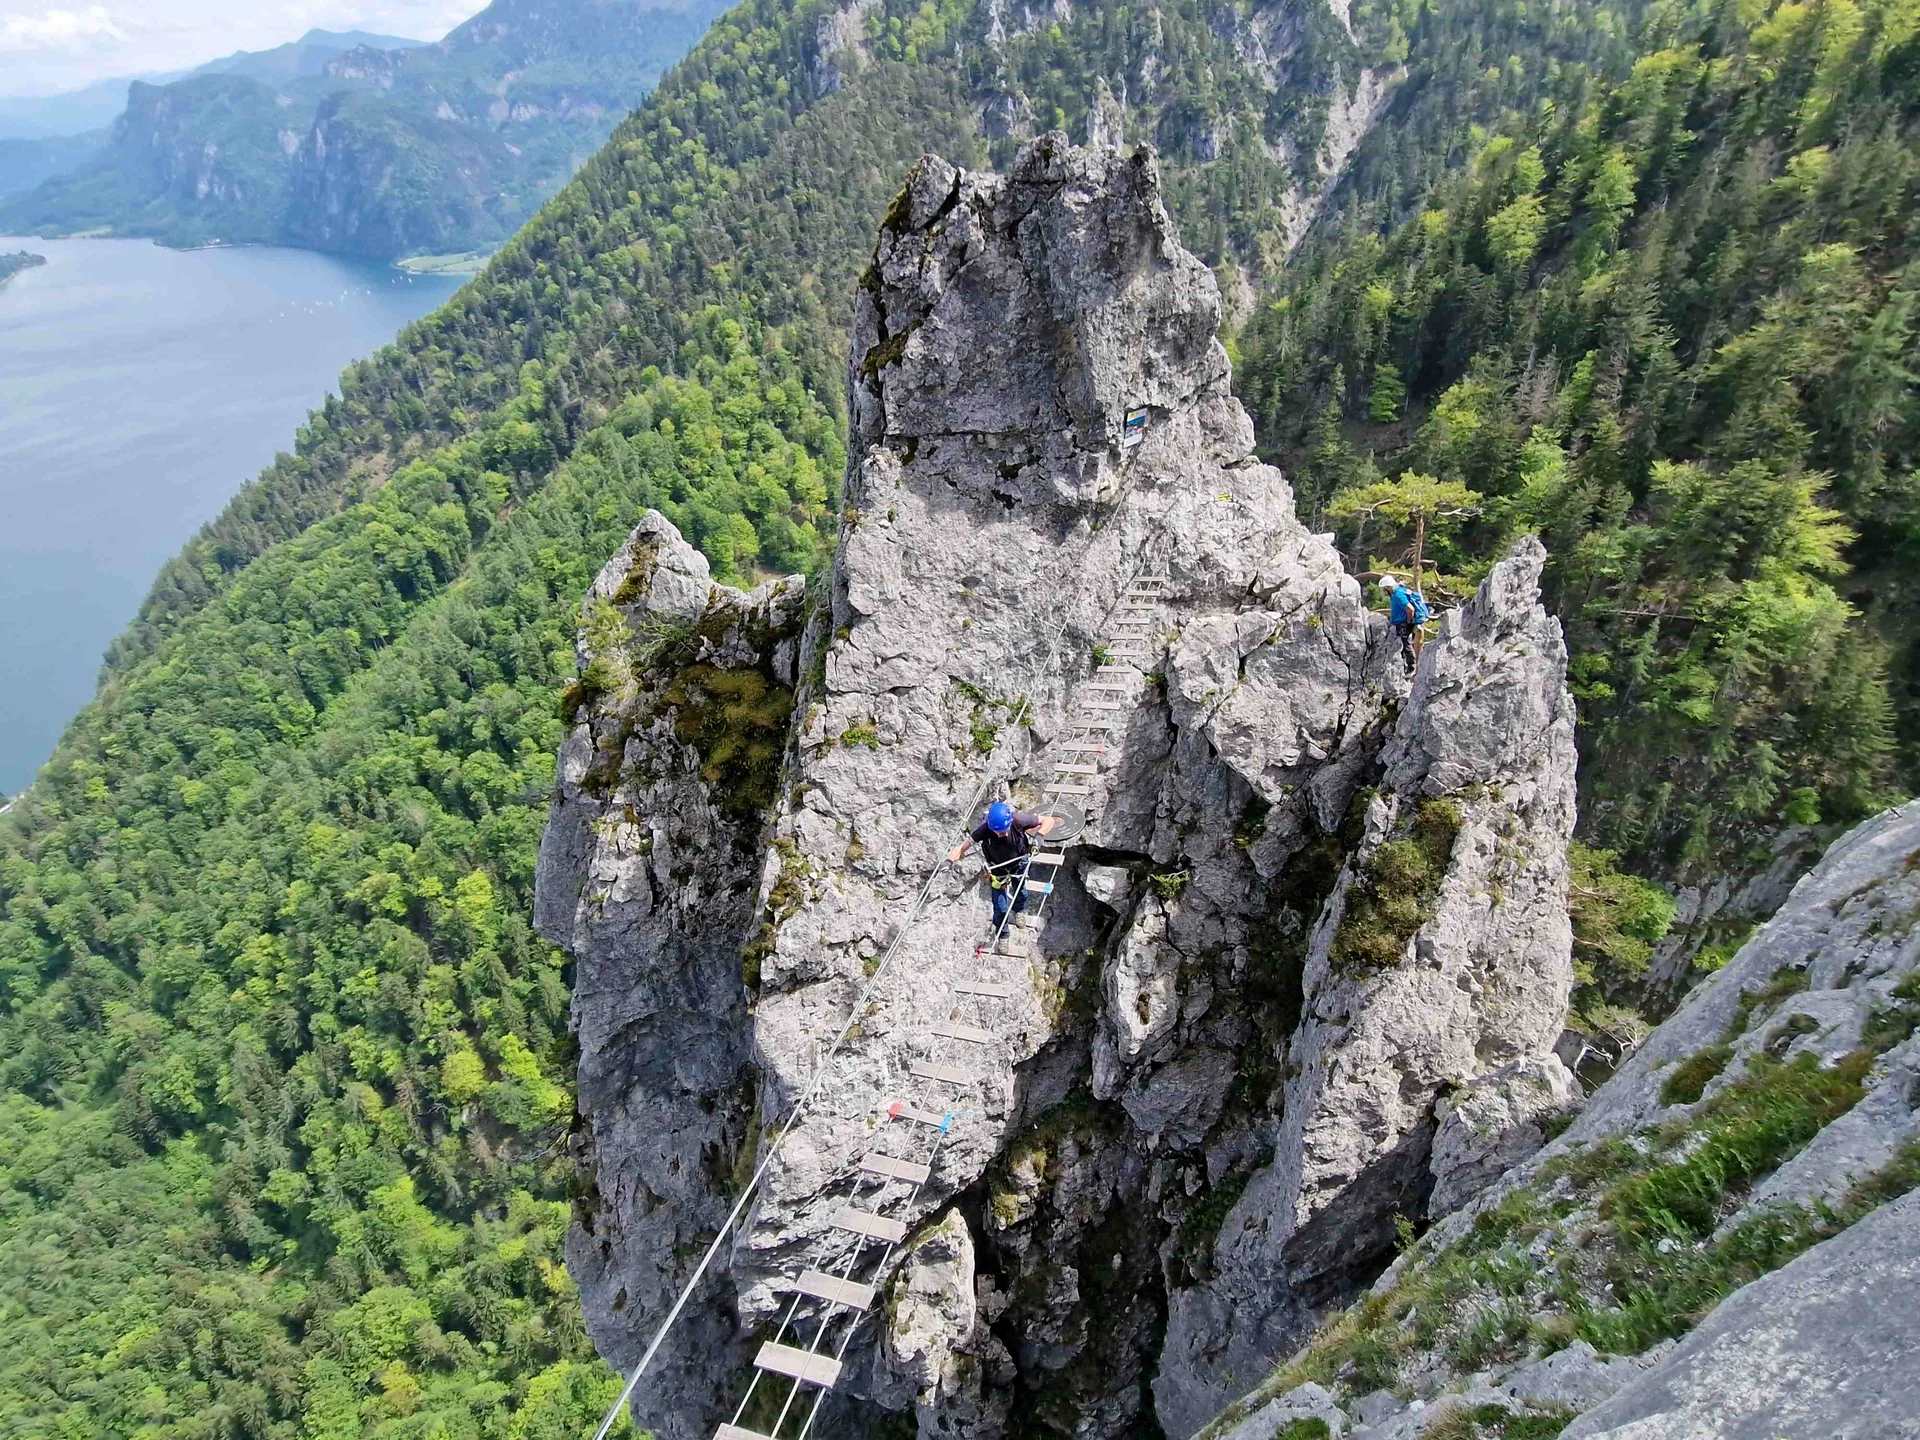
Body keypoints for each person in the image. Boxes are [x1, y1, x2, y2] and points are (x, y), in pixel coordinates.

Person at [949, 801, 1058, 932]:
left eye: (1003, 831)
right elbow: (961, 847)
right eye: (998, 832)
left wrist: (1039, 837)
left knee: (1021, 892)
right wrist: (949, 861)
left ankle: (1019, 910)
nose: (1001, 834)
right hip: (997, 870)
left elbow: (1049, 820)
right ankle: (1003, 934)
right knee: (1000, 907)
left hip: (1019, 864)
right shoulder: (985, 829)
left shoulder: (1018, 820)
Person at [1379, 574, 1430, 673]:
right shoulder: (1401, 591)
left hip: (1403, 624)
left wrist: (1408, 621)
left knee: (1406, 644)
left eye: (1384, 589)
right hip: (1404, 622)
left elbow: (1410, 609)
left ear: (1388, 588)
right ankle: (1405, 665)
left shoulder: (1398, 595)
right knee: (1404, 643)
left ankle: (1411, 667)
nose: (1384, 592)